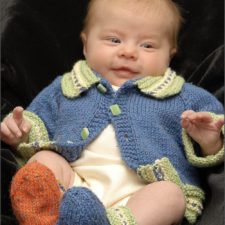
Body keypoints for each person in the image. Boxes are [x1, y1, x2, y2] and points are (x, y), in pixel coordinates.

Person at [1, 0, 224, 224]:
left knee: (170, 195)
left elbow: (213, 135)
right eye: (114, 40)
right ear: (86, 45)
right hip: (72, 183)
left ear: (169, 54)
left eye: (147, 46)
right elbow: (36, 121)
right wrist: (19, 132)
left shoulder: (183, 95)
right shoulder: (67, 86)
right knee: (43, 160)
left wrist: (210, 140)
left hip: (141, 195)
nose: (128, 52)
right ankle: (43, 215)